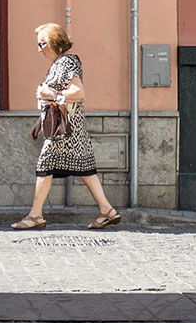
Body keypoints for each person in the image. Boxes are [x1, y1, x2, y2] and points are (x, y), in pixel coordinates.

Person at [10, 23, 121, 231]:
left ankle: (35, 216)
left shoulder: (67, 62)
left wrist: (50, 94)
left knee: (45, 167)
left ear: (53, 42)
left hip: (64, 132)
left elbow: (78, 93)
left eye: (42, 44)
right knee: (85, 169)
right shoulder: (59, 64)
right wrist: (39, 122)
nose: (39, 49)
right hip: (69, 130)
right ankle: (107, 211)